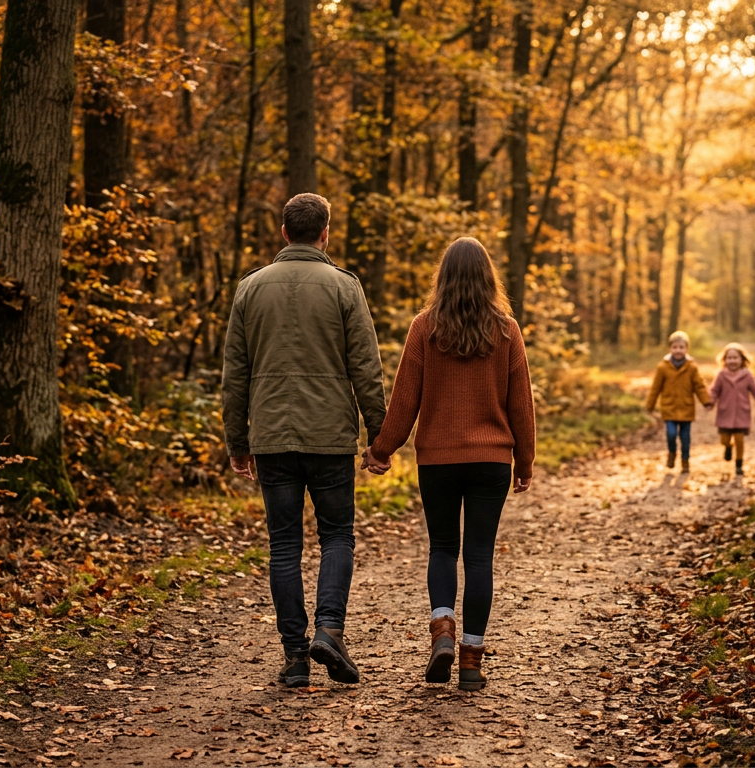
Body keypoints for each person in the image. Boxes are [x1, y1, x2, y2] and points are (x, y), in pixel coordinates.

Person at [221, 193, 386, 688]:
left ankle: (295, 657)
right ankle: (330, 630)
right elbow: (366, 368)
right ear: (325, 233)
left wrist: (237, 440)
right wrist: (379, 437)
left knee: (284, 545)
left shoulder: (250, 289)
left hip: (271, 437)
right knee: (337, 535)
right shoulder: (344, 288)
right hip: (330, 436)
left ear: (284, 232)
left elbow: (235, 374)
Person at [363, 237, 536, 692]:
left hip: (437, 459)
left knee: (443, 547)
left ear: (444, 277)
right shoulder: (507, 330)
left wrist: (382, 449)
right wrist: (525, 460)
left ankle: (442, 629)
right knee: (479, 556)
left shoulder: (425, 327)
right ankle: (471, 664)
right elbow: (521, 404)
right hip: (491, 460)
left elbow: (405, 399)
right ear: (488, 278)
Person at [644, 330, 712, 473]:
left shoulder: (692, 367)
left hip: (686, 408)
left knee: (685, 437)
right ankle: (672, 453)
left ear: (687, 348)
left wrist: (706, 401)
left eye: (681, 347)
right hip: (669, 407)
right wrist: (650, 404)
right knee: (671, 434)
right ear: (670, 348)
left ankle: (685, 460)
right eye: (675, 347)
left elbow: (699, 386)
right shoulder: (663, 367)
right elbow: (656, 388)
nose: (678, 350)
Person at [709, 343, 755, 476]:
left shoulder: (747, 375)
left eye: (735, 358)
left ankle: (739, 464)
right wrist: (709, 402)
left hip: (741, 414)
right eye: (729, 358)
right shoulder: (721, 375)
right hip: (725, 413)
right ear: (724, 360)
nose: (732, 361)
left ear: (742, 360)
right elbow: (714, 391)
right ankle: (728, 446)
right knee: (724, 439)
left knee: (740, 439)